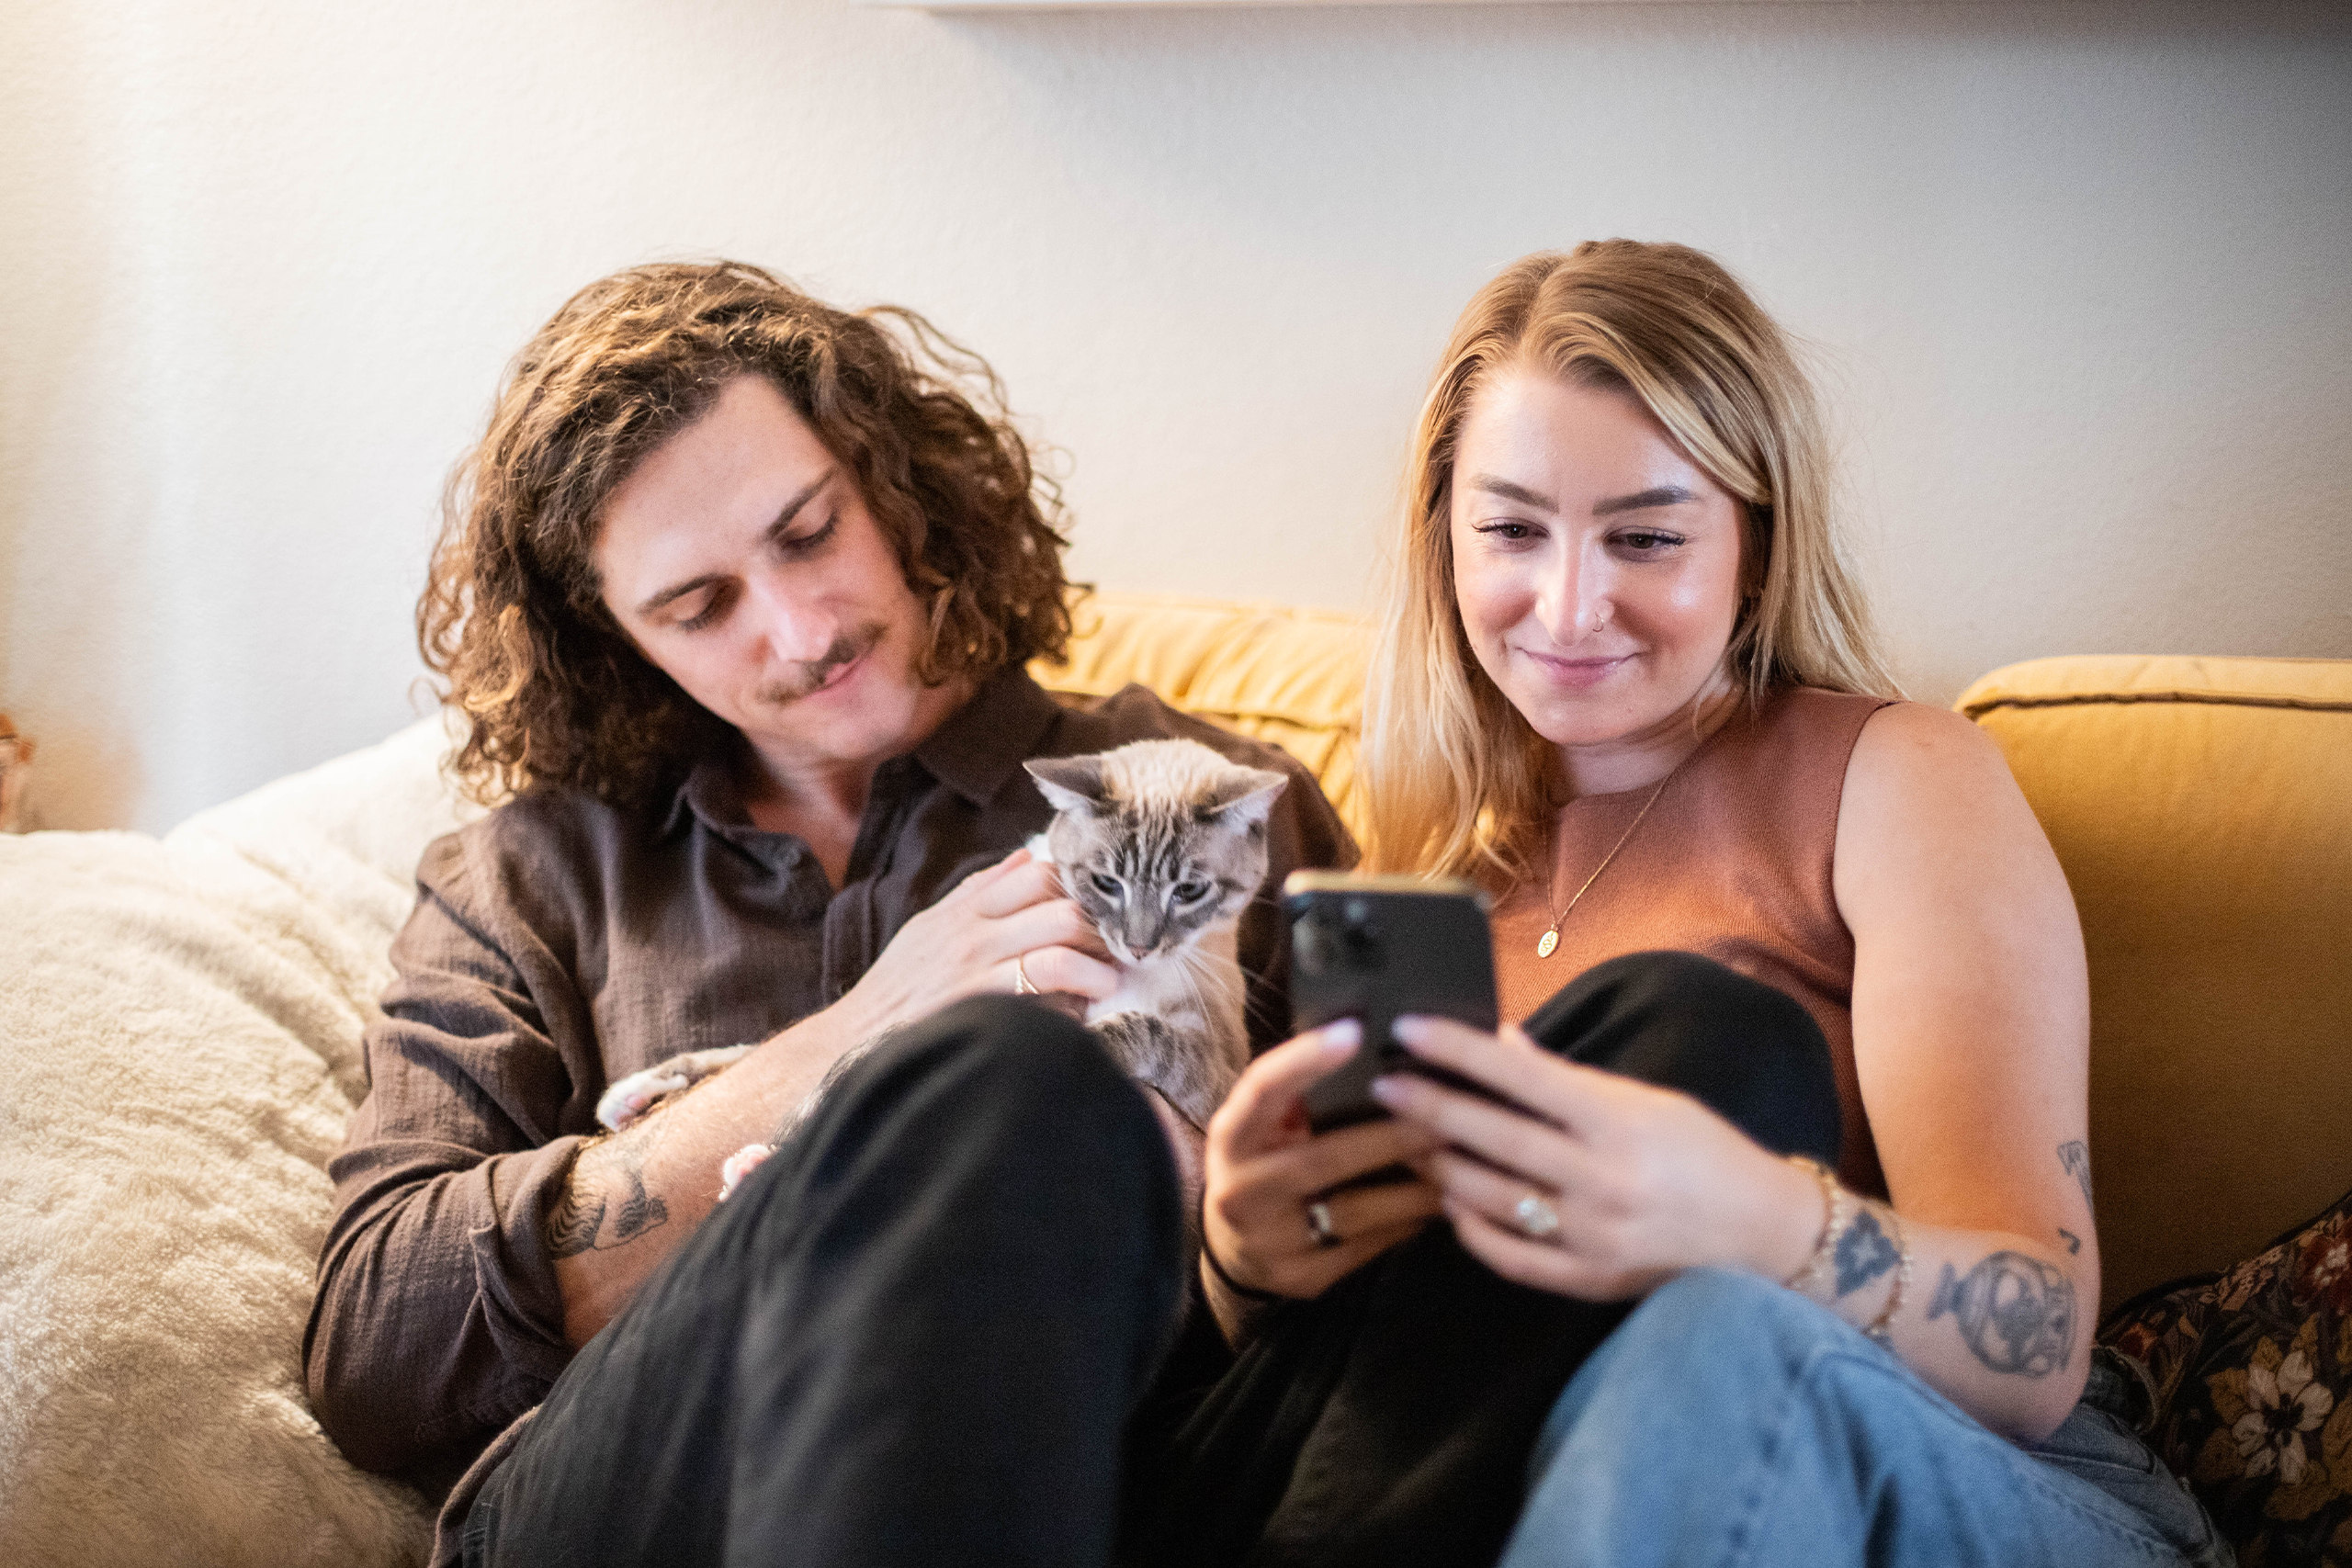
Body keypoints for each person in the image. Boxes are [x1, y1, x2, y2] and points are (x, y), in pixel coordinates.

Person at [1174, 239, 2233, 1566]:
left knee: (1705, 1326)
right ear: (1443, 533)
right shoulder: (1431, 882)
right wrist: (1243, 1266)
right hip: (1514, 1501)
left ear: (1756, 541)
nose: (1567, 604)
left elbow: (2038, 1347)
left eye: (1647, 537)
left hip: (1961, 1469)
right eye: (1510, 528)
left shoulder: (1892, 777)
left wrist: (1741, 1218)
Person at [300, 260, 1351, 1566]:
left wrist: (1170, 1208)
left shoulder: (1196, 799)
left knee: (1026, 1093)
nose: (800, 631)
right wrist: (854, 1042)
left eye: (809, 532)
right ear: (617, 639)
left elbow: (1370, 1306)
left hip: (1111, 1479)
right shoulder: (531, 877)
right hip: (639, 1501)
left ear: (892, 479)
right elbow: (381, 1344)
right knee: (991, 1065)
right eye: (700, 606)